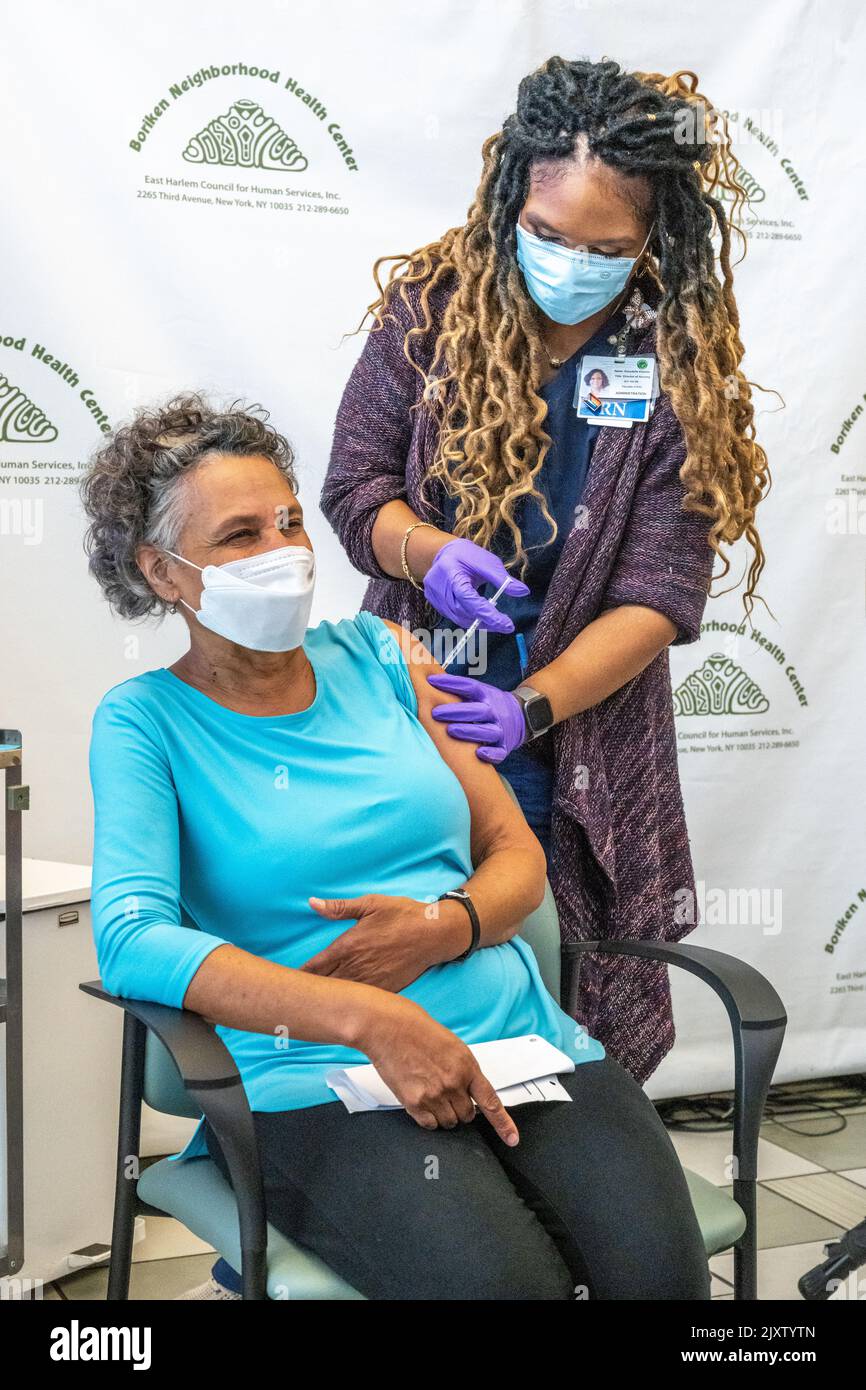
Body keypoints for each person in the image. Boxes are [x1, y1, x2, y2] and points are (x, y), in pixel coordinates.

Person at [80, 393, 710, 1301]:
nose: (284, 552)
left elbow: (513, 854)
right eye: (240, 535)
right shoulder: (145, 722)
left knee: (662, 1283)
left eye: (290, 522)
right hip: (312, 1072)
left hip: (517, 1041)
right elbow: (133, 940)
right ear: (163, 572)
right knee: (505, 1290)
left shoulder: (385, 653)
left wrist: (441, 928)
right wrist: (369, 1017)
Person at [321, 55, 770, 1087]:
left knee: (548, 992)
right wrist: (423, 553)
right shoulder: (428, 318)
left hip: (569, 736)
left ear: (652, 238)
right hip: (408, 707)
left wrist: (531, 705)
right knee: (406, 961)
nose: (572, 261)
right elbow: (354, 489)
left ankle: (551, 1206)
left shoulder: (669, 363)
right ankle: (412, 1203)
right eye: (548, 235)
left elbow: (656, 595)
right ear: (507, 200)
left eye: (605, 247)